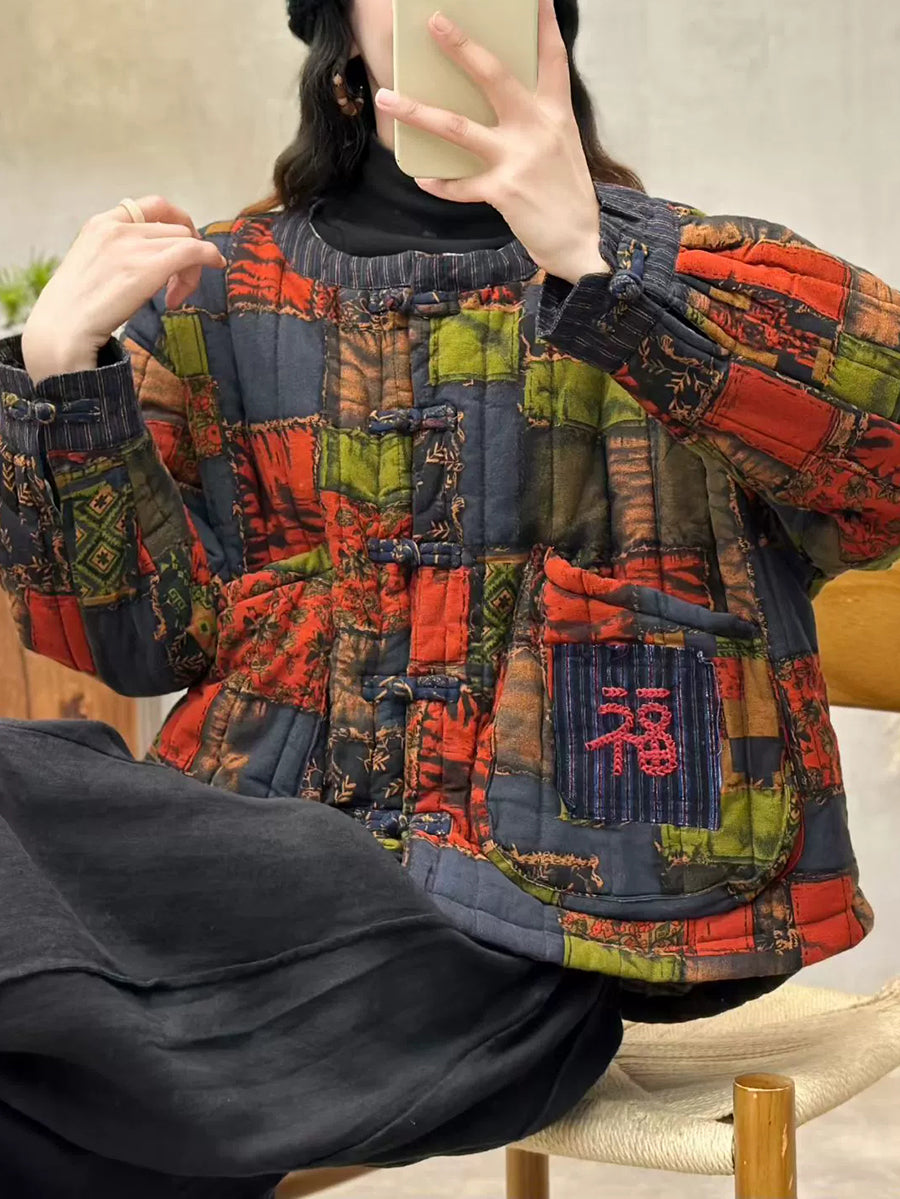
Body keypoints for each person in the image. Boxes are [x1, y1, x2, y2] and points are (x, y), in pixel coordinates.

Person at [0, 0, 897, 1194]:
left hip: (545, 937)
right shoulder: (216, 298)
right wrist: (64, 378)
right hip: (245, 879)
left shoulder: (684, 278)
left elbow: (884, 456)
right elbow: (133, 642)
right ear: (342, 44)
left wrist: (605, 258)